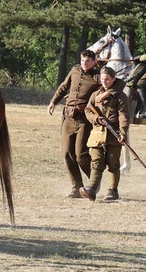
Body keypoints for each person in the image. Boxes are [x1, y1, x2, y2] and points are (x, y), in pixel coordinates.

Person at [48, 50, 101, 198]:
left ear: (94, 62)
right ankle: (77, 186)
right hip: (68, 117)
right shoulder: (75, 70)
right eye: (83, 60)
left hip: (84, 119)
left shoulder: (98, 77)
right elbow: (63, 87)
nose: (85, 63)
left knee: (81, 154)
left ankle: (94, 183)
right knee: (67, 154)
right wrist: (53, 102)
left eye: (88, 61)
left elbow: (107, 90)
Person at [80, 66, 130, 202]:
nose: (104, 82)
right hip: (97, 134)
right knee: (96, 163)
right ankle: (91, 189)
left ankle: (113, 191)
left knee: (113, 164)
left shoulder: (121, 97)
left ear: (113, 79)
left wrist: (123, 134)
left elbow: (124, 116)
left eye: (107, 79)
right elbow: (87, 111)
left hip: (113, 135)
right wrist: (96, 119)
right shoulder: (95, 95)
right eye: (102, 79)